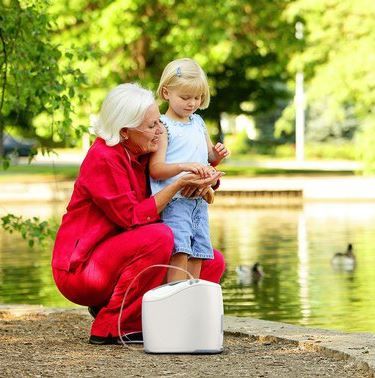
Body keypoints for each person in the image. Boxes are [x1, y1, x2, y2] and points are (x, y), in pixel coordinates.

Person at [51, 83, 226, 345]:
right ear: (124, 132)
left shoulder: (143, 151)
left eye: (158, 122)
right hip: (81, 268)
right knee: (160, 236)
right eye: (152, 126)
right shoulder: (103, 157)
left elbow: (181, 163)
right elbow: (131, 217)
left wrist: (206, 180)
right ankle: (112, 324)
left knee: (210, 260)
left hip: (118, 256)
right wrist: (177, 184)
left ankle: (166, 322)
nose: (160, 130)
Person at [149, 58, 229, 283]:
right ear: (166, 93)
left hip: (199, 201)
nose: (192, 103)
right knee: (180, 250)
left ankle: (191, 297)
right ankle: (175, 297)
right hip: (175, 201)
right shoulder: (164, 126)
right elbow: (156, 169)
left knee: (200, 252)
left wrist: (217, 156)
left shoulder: (198, 123)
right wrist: (185, 168)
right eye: (185, 97)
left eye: (197, 98)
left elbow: (208, 157)